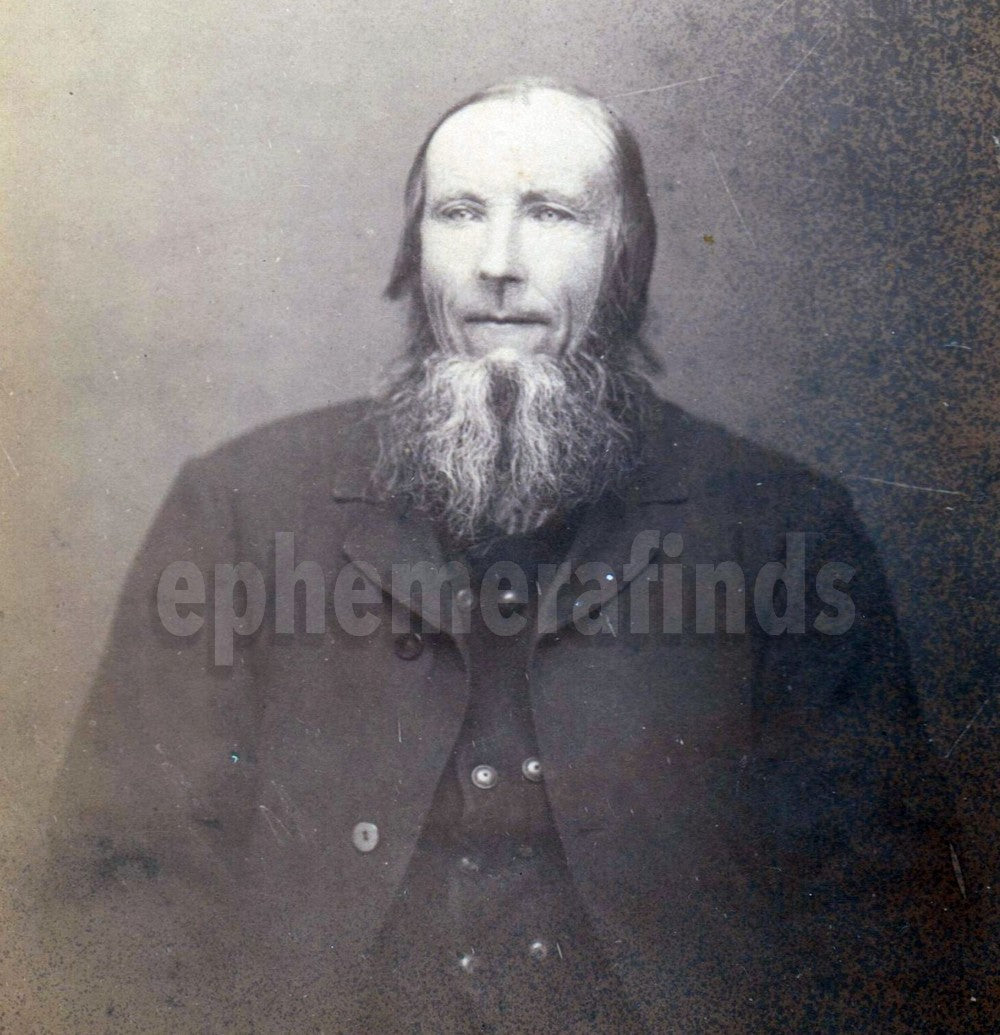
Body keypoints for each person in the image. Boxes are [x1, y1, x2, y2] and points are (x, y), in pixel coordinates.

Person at [42, 79, 980, 1032]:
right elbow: (124, 882)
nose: (498, 263)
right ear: (416, 254)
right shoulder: (239, 505)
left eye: (551, 213)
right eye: (460, 213)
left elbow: (882, 918)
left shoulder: (783, 526)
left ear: (626, 258)